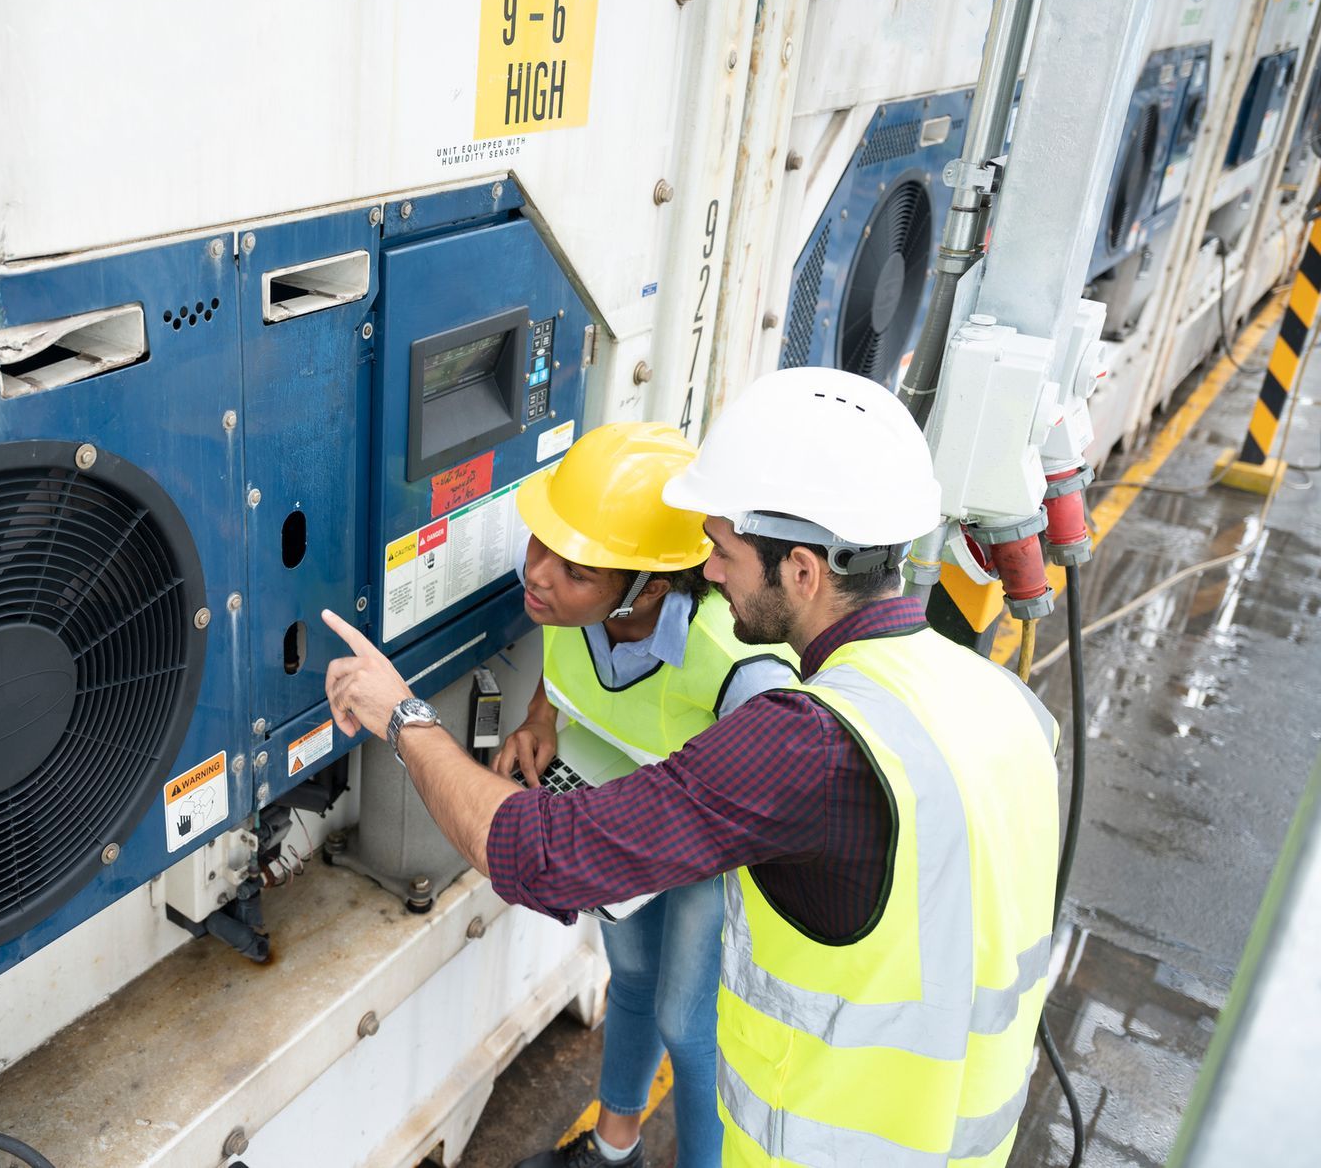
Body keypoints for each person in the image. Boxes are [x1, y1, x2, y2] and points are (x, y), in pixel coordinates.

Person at [323, 367, 1060, 1167]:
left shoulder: (803, 740)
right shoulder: (1007, 704)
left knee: (687, 1016)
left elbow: (544, 854)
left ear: (804, 571)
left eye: (725, 554)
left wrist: (402, 716)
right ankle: (614, 1146)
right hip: (958, 1143)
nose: (706, 575)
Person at [496, 422, 794, 1168]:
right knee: (630, 978)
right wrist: (540, 717)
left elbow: (780, 800)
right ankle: (613, 1147)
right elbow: (565, 658)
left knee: (690, 1029)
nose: (539, 574)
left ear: (651, 588)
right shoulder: (578, 607)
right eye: (541, 545)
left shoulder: (737, 666)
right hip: (631, 827)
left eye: (573, 568)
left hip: (715, 852)